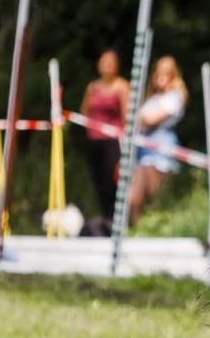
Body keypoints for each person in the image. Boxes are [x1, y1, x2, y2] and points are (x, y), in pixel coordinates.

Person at [126, 55, 188, 227]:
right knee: (136, 198)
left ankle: (154, 228)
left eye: (166, 74)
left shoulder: (174, 97)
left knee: (154, 197)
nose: (161, 78)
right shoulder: (153, 98)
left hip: (159, 151)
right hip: (142, 152)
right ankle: (139, 229)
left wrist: (138, 117)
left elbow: (150, 120)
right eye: (159, 73)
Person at [80, 49, 129, 226]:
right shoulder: (93, 87)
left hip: (113, 141)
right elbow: (84, 111)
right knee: (99, 180)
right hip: (94, 141)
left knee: (112, 179)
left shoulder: (122, 86)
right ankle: (106, 217)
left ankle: (117, 218)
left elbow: (126, 116)